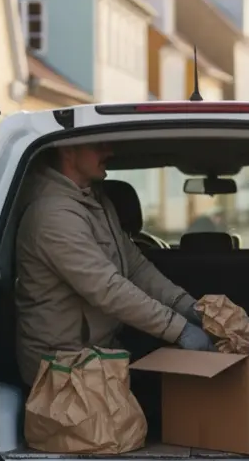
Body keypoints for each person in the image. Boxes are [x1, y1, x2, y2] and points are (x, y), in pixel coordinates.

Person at [14, 141, 214, 386]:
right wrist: (180, 330)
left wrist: (187, 306)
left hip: (96, 355)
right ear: (68, 151)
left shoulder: (95, 202)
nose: (110, 152)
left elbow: (136, 267)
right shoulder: (53, 215)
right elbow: (107, 288)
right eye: (99, 147)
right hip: (62, 368)